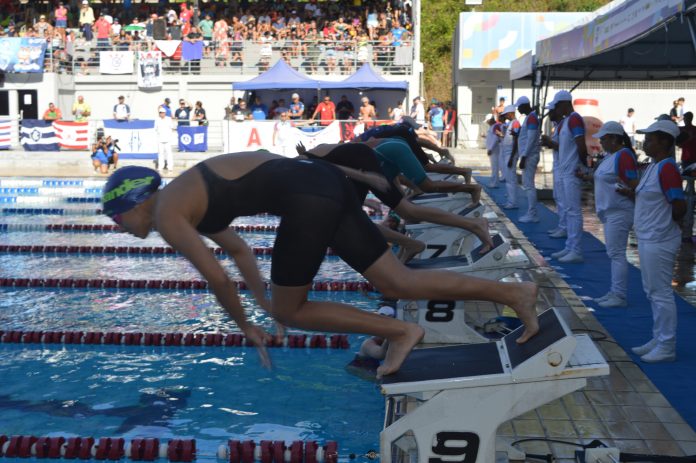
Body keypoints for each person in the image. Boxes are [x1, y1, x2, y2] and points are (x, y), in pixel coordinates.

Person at [101, 154, 540, 377]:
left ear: (136, 203)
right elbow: (239, 252)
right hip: (324, 182)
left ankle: (401, 331)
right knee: (398, 281)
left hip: (308, 199)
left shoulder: (167, 213)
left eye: (117, 218)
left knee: (290, 310)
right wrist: (259, 302)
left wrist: (250, 326)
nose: (119, 229)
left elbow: (215, 275)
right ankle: (513, 294)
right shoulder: (186, 197)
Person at [298, 140, 491, 250]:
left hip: (363, 161)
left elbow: (335, 168)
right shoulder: (298, 166)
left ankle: (474, 224)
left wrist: (368, 177)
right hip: (359, 161)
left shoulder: (301, 167)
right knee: (353, 218)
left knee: (409, 209)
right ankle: (410, 243)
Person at [622, 121, 685, 363]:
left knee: (660, 293)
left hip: (659, 238)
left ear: (665, 142)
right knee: (652, 290)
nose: (645, 142)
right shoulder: (654, 167)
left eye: (650, 139)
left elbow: (679, 204)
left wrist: (667, 225)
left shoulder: (667, 168)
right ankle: (659, 338)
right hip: (650, 236)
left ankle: (667, 344)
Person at [587, 121, 639, 308]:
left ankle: (619, 295)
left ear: (615, 139)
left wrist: (629, 194)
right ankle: (614, 291)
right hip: (610, 211)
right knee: (613, 253)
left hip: (619, 211)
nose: (601, 141)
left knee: (616, 253)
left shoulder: (623, 156)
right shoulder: (612, 156)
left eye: (604, 138)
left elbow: (634, 185)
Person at [548, 91, 588, 264]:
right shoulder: (565, 122)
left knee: (573, 211)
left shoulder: (574, 119)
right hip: (565, 171)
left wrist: (582, 166)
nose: (555, 110)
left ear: (564, 104)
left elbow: (581, 146)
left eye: (557, 106)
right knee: (569, 210)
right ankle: (570, 246)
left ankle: (576, 249)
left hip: (571, 171)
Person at [541, 102, 567, 238]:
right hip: (558, 164)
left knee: (563, 198)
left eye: (550, 112)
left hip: (563, 165)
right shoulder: (557, 126)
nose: (548, 115)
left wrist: (549, 142)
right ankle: (561, 225)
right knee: (558, 196)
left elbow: (564, 147)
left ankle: (565, 227)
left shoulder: (563, 125)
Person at [515, 96, 541, 223]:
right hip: (528, 155)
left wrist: (524, 156)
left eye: (519, 107)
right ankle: (531, 212)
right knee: (528, 185)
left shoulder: (531, 118)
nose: (518, 109)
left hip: (529, 156)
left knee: (529, 185)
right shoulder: (530, 117)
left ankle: (532, 213)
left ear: (524, 105)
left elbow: (531, 140)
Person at [500, 105, 520, 209]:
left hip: (510, 154)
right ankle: (510, 201)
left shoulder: (516, 123)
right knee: (509, 179)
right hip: (507, 153)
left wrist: (512, 157)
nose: (506, 116)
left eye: (507, 114)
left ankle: (513, 202)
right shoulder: (511, 123)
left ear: (511, 113)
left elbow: (516, 140)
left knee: (510, 179)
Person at [484, 114, 503, 188]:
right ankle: (494, 182)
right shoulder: (493, 126)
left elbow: (495, 139)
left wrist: (491, 149)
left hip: (494, 150)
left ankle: (495, 183)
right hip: (492, 149)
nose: (487, 123)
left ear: (490, 120)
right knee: (494, 167)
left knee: (495, 167)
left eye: (487, 121)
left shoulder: (496, 126)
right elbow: (492, 137)